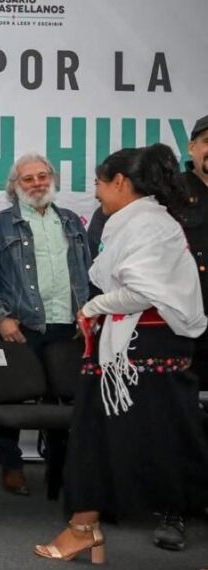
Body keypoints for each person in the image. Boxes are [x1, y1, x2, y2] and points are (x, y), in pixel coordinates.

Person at [34, 144, 208, 563]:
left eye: (98, 182)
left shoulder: (148, 224)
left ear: (120, 182)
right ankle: (83, 527)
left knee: (170, 447)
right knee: (95, 438)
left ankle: (84, 527)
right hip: (125, 352)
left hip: (144, 354)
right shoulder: (134, 220)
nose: (95, 192)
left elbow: (142, 291)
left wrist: (93, 306)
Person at [0, 153, 91, 496]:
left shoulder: (71, 221)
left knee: (62, 401)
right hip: (20, 327)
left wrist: (86, 312)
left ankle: (59, 469)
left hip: (68, 325)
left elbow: (88, 270)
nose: (37, 184)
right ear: (14, 186)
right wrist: (1, 319)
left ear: (52, 179)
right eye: (27, 179)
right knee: (12, 399)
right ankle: (11, 465)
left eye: (42, 176)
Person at [150, 114, 208, 551]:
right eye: (207, 143)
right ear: (192, 149)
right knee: (178, 418)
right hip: (182, 324)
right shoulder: (169, 197)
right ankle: (174, 510)